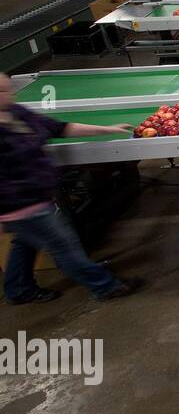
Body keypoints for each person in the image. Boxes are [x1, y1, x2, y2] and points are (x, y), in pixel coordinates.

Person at [0, 74, 142, 304]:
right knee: (64, 247)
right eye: (3, 91)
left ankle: (18, 289)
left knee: (26, 240)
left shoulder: (17, 113)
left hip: (36, 198)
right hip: (23, 205)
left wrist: (107, 130)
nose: (11, 94)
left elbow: (60, 128)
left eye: (9, 88)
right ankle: (106, 287)